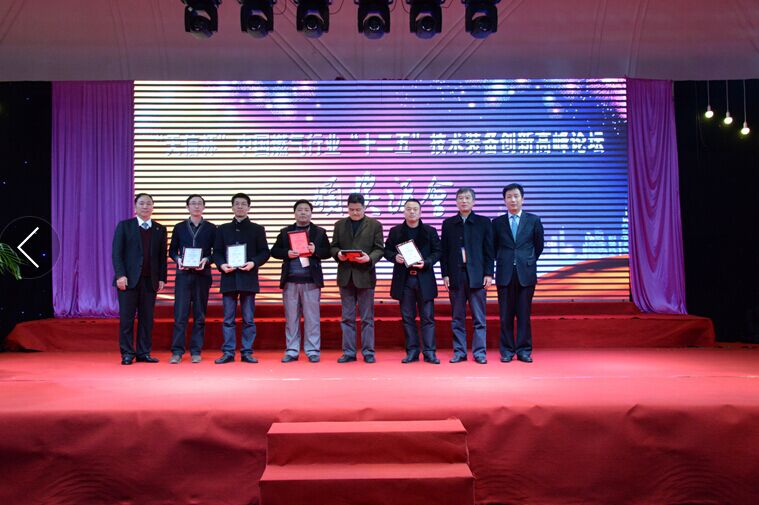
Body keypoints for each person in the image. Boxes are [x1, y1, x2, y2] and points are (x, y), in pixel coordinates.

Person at [212, 193, 270, 364]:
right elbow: (217, 252)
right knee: (228, 319)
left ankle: (247, 352)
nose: (240, 207)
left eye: (243, 204)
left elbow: (264, 252)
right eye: (236, 204)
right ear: (232, 207)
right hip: (229, 277)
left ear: (249, 207)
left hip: (248, 277)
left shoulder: (257, 229)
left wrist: (253, 263)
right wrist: (222, 265)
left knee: (248, 319)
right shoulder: (222, 229)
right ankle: (228, 352)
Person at [270, 199, 331, 363]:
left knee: (312, 318)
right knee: (291, 318)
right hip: (290, 281)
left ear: (311, 213)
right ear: (294, 213)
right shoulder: (285, 232)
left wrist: (316, 250)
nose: (303, 212)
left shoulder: (319, 232)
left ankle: (312, 350)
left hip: (311, 281)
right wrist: (286, 253)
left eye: (306, 210)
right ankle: (292, 350)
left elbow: (328, 252)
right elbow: (274, 251)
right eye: (300, 210)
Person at [384, 198, 442, 364]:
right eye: (408, 209)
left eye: (415, 209)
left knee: (428, 317)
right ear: (404, 211)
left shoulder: (430, 231)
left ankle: (430, 352)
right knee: (407, 317)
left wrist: (427, 262)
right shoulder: (395, 231)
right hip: (405, 280)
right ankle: (412, 351)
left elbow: (438, 252)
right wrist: (394, 257)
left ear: (420, 212)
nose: (411, 212)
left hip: (424, 279)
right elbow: (386, 251)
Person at [112, 193, 167, 365]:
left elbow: (162, 257)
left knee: (147, 319)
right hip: (128, 280)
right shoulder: (125, 226)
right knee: (127, 319)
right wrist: (120, 275)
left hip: (150, 281)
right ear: (135, 206)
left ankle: (144, 352)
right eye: (142, 203)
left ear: (152, 207)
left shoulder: (159, 229)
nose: (145, 206)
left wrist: (162, 278)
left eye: (148, 203)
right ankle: (127, 353)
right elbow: (117, 253)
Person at [440, 187, 494, 364]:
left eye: (467, 198)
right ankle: (459, 352)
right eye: (461, 198)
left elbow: (489, 251)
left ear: (474, 202)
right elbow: (444, 252)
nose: (464, 201)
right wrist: (445, 274)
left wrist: (489, 273)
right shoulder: (448, 224)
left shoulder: (484, 222)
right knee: (457, 318)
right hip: (456, 276)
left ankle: (480, 353)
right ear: (456, 202)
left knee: (479, 318)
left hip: (477, 276)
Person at [330, 193, 384, 363]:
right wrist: (338, 254)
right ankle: (348, 352)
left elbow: (379, 249)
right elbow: (333, 247)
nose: (355, 213)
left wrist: (369, 258)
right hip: (346, 276)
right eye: (352, 209)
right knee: (347, 318)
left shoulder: (374, 225)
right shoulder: (339, 225)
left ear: (364, 208)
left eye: (358, 210)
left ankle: (368, 352)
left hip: (365, 276)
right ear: (347, 208)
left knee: (367, 318)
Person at [493, 183, 544, 363]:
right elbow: (493, 247)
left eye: (516, 196)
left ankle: (524, 350)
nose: (513, 200)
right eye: (509, 197)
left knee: (524, 314)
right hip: (505, 273)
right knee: (505, 315)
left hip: (526, 273)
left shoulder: (533, 220)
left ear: (523, 198)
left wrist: (526, 260)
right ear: (504, 200)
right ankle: (507, 350)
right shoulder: (497, 222)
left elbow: (538, 246)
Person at [167, 194, 216, 364]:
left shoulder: (211, 228)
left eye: (199, 203)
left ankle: (196, 350)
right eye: (193, 203)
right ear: (187, 206)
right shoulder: (179, 227)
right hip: (183, 275)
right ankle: (177, 351)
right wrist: (178, 259)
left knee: (199, 315)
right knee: (180, 314)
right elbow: (172, 250)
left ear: (204, 207)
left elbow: (216, 252)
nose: (196, 206)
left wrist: (207, 260)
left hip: (202, 275)